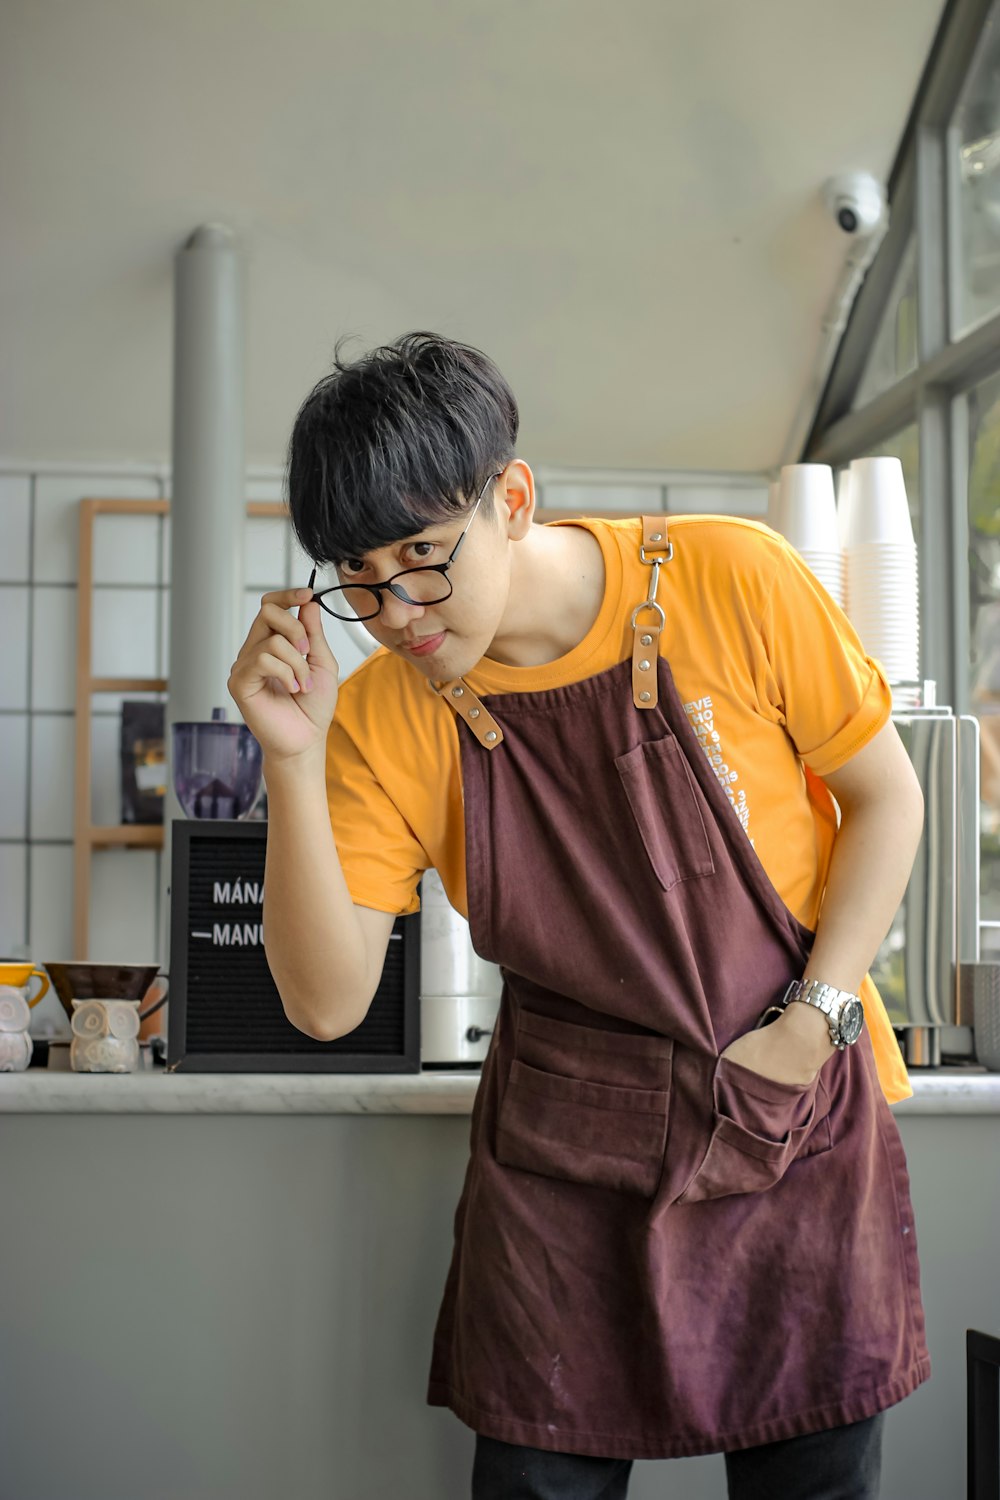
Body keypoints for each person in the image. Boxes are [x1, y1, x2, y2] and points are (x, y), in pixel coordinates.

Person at [228, 331, 930, 1499]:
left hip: (786, 1120)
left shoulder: (733, 579)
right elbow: (323, 1002)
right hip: (562, 1173)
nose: (394, 609)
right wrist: (289, 765)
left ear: (512, 499)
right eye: (355, 576)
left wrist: (814, 1018)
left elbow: (884, 797)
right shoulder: (387, 716)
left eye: (421, 554)